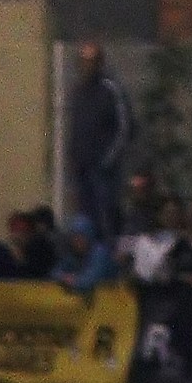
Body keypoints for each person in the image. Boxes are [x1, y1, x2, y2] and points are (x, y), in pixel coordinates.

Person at [65, 43, 132, 241]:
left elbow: (124, 127)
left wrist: (107, 160)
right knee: (84, 218)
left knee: (105, 214)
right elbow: (75, 128)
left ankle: (109, 252)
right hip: (81, 168)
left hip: (102, 169)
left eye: (91, 61)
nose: (86, 66)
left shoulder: (111, 90)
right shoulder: (77, 92)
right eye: (83, 61)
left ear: (100, 63)